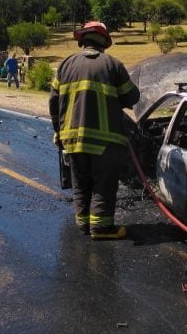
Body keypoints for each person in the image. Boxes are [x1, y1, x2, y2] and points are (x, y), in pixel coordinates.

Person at [49, 21, 140, 240]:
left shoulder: (65, 65)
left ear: (83, 40)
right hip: (105, 141)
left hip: (73, 140)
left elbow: (53, 103)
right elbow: (132, 97)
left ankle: (83, 223)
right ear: (104, 42)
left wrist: (58, 133)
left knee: (81, 183)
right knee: (104, 183)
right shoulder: (112, 65)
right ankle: (101, 228)